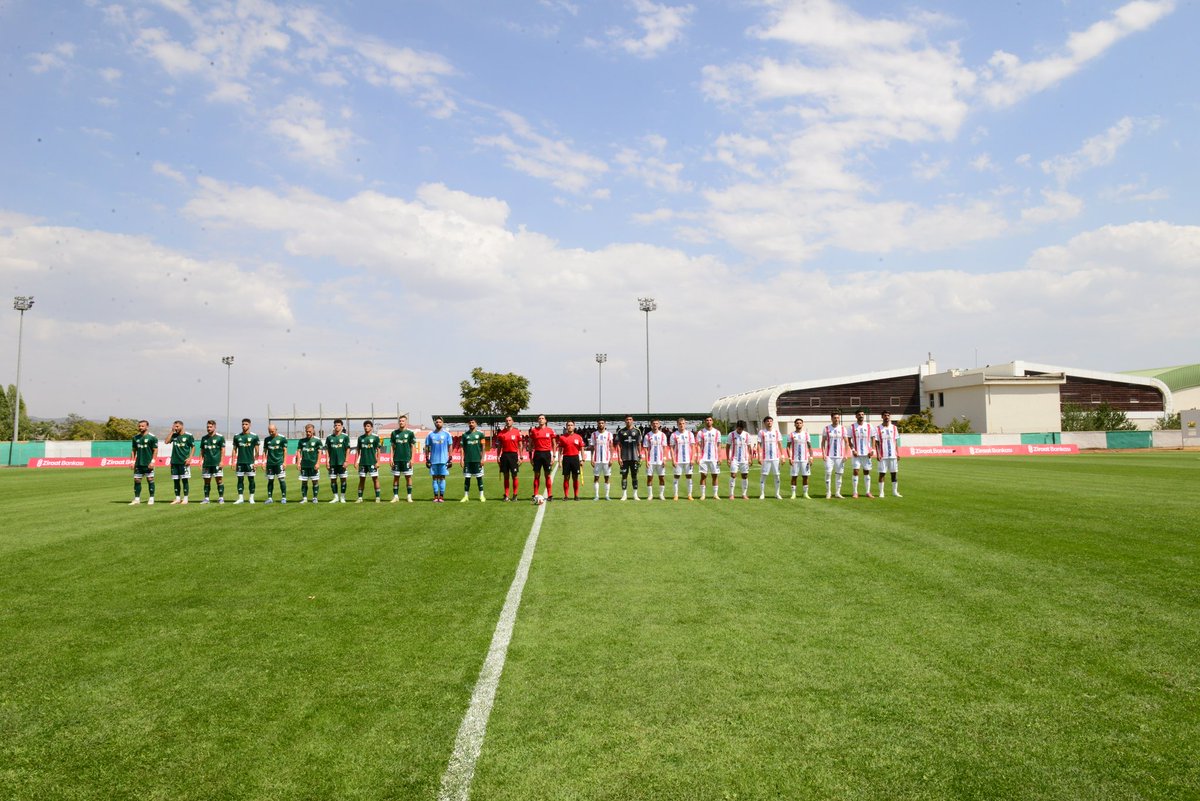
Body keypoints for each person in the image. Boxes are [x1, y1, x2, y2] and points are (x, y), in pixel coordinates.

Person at [874, 410, 903, 498]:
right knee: (882, 473)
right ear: (882, 417)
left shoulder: (894, 428)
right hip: (883, 455)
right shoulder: (878, 428)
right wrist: (878, 454)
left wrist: (898, 453)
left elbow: (896, 441)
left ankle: (895, 492)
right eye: (885, 415)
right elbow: (876, 443)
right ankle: (881, 492)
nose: (887, 417)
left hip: (893, 455)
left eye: (888, 415)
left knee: (894, 473)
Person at [527, 414, 556, 501]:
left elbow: (554, 444)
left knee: (547, 475)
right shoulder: (533, 431)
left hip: (547, 454)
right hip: (537, 454)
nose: (541, 420)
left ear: (545, 420)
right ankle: (535, 494)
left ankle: (550, 495)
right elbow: (530, 445)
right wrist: (530, 457)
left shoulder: (550, 430)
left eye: (542, 418)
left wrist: (554, 456)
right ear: (538, 420)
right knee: (537, 475)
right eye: (539, 418)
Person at [166, 420, 195, 505]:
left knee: (185, 480)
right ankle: (177, 498)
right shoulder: (174, 435)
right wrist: (172, 431)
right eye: (174, 426)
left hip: (184, 462)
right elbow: (166, 442)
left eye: (177, 426)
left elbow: (193, 447)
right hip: (174, 462)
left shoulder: (188, 436)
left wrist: (190, 458)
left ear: (182, 426)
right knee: (176, 480)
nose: (176, 428)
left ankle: (185, 498)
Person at [494, 415, 523, 501]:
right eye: (506, 420)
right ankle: (506, 495)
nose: (508, 422)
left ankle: (515, 495)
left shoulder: (517, 432)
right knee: (506, 476)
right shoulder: (501, 433)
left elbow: (520, 445)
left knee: (514, 476)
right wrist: (498, 456)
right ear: (505, 422)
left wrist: (521, 457)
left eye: (509, 420)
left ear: (512, 421)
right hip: (504, 456)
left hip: (514, 456)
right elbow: (499, 446)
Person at [821, 412, 850, 499]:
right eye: (835, 418)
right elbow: (823, 442)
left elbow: (846, 442)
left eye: (838, 418)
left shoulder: (843, 429)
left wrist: (846, 454)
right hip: (829, 455)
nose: (836, 419)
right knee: (828, 473)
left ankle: (837, 492)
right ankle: (828, 492)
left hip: (840, 456)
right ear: (831, 418)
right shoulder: (826, 428)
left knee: (839, 474)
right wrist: (823, 453)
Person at [129, 419, 158, 505]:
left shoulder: (152, 437)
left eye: (142, 426)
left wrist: (153, 461)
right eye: (139, 426)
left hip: (148, 463)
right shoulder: (135, 438)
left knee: (150, 479)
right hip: (138, 463)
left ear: (147, 427)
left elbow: (155, 450)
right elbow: (133, 451)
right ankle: (137, 499)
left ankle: (151, 498)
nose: (140, 427)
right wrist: (132, 461)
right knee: (137, 480)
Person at [390, 415, 417, 503]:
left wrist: (412, 459)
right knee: (396, 477)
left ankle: (409, 496)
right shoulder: (394, 433)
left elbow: (413, 447)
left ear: (406, 422)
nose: (401, 422)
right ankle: (396, 496)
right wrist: (391, 458)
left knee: (408, 477)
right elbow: (392, 447)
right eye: (400, 421)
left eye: (403, 421)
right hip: (396, 459)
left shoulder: (410, 433)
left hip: (406, 459)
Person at [232, 418, 261, 504]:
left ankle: (251, 498)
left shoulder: (254, 436)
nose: (244, 426)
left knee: (251, 480)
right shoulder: (237, 436)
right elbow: (234, 450)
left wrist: (256, 462)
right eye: (243, 424)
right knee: (240, 480)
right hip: (240, 462)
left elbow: (257, 451)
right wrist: (233, 461)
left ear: (249, 425)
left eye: (246, 424)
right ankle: (240, 498)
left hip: (250, 462)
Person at [425, 416, 453, 503]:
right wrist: (427, 458)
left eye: (440, 422)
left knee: (442, 478)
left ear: (442, 423)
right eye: (436, 422)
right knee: (434, 478)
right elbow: (427, 446)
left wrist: (450, 457)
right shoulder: (430, 435)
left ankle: (441, 497)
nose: (438, 423)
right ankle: (435, 496)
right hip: (433, 460)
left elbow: (450, 445)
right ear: (435, 423)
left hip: (444, 460)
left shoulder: (447, 434)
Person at [615, 415, 643, 501]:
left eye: (630, 419)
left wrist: (640, 456)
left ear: (633, 420)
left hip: (634, 458)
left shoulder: (637, 431)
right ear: (625, 421)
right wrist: (619, 457)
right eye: (627, 419)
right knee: (624, 476)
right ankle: (624, 495)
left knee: (634, 476)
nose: (628, 421)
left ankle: (635, 495)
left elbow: (639, 444)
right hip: (624, 458)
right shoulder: (620, 431)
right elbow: (618, 446)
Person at [459, 418, 487, 502]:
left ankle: (482, 496)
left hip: (477, 460)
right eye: (470, 422)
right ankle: (466, 496)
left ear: (476, 424)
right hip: (467, 460)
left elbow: (483, 447)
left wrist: (482, 458)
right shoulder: (464, 435)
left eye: (473, 422)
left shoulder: (480, 434)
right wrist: (461, 459)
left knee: (479, 478)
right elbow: (462, 448)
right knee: (467, 478)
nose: (471, 424)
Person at [849, 409, 875, 499]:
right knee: (856, 471)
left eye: (862, 414)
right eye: (859, 414)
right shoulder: (852, 427)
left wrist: (873, 450)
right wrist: (853, 449)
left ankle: (868, 492)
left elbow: (873, 438)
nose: (861, 416)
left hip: (867, 453)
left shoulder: (869, 426)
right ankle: (855, 492)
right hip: (856, 454)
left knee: (866, 472)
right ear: (856, 416)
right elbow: (849, 440)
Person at [198, 419, 226, 504]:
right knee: (206, 481)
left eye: (210, 427)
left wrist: (221, 461)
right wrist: (200, 461)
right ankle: (206, 499)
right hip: (207, 463)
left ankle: (221, 498)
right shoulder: (204, 438)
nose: (208, 428)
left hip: (216, 463)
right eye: (207, 427)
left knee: (219, 480)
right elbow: (202, 451)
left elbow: (223, 450)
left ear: (215, 427)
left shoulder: (220, 437)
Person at [669, 417, 696, 501]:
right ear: (677, 425)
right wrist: (673, 460)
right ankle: (676, 495)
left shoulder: (690, 434)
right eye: (680, 424)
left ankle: (689, 495)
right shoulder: (674, 435)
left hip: (688, 460)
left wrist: (693, 458)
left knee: (689, 476)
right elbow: (672, 448)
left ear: (685, 424)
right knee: (676, 476)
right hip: (678, 460)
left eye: (683, 423)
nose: (682, 425)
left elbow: (693, 447)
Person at [557, 420, 585, 500]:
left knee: (575, 477)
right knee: (566, 477)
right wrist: (559, 461)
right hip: (566, 459)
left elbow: (582, 449)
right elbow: (559, 450)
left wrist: (583, 459)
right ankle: (566, 496)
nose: (570, 426)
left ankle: (576, 496)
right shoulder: (562, 437)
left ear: (574, 426)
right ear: (566, 427)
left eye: (571, 425)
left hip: (575, 458)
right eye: (568, 425)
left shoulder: (578, 437)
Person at [295, 423, 323, 503]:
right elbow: (298, 452)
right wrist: (298, 463)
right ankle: (304, 498)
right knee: (304, 482)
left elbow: (319, 452)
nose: (308, 433)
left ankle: (315, 498)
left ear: (313, 431)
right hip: (304, 465)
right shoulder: (301, 441)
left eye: (310, 431)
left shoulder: (317, 441)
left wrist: (318, 463)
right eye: (307, 431)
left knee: (315, 481)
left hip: (313, 465)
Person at [696, 415, 723, 500]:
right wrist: (698, 456)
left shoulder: (717, 432)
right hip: (703, 458)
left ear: (712, 421)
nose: (708, 421)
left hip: (714, 458)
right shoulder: (701, 432)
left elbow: (719, 445)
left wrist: (720, 457)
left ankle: (715, 494)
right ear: (705, 422)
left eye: (710, 420)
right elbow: (698, 446)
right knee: (703, 476)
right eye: (707, 420)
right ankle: (703, 495)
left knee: (715, 476)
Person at [355, 420, 382, 502]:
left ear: (371, 427)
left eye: (368, 426)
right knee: (362, 479)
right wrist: (356, 461)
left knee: (375, 479)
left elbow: (378, 450)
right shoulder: (360, 438)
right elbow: (358, 450)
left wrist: (378, 461)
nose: (366, 428)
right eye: (365, 426)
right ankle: (360, 498)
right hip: (363, 463)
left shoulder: (375, 437)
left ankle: (377, 497)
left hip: (372, 462)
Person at [758, 416, 784, 500]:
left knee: (777, 476)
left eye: (771, 421)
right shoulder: (761, 432)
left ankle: (777, 494)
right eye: (767, 421)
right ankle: (762, 494)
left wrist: (782, 456)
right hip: (766, 458)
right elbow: (758, 445)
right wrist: (759, 456)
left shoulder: (776, 432)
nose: (769, 422)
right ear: (764, 423)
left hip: (775, 458)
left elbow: (780, 444)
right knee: (763, 476)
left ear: (772, 422)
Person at [642, 419, 669, 500]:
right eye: (653, 423)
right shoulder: (647, 435)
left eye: (656, 423)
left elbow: (664, 448)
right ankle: (650, 495)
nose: (655, 425)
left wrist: (664, 459)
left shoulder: (663, 435)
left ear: (659, 424)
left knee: (662, 477)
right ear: (651, 425)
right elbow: (646, 450)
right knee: (649, 478)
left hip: (660, 461)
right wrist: (646, 461)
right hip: (651, 461)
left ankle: (661, 495)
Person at [325, 419, 351, 503]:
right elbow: (327, 450)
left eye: (338, 425)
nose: (337, 426)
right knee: (333, 479)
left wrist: (346, 461)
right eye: (335, 425)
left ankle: (342, 497)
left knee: (343, 479)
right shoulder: (329, 438)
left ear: (342, 426)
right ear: (334, 426)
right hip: (332, 463)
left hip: (342, 462)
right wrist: (327, 461)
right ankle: (335, 497)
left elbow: (347, 449)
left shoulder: (345, 437)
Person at [787, 418, 813, 499]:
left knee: (805, 476)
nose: (799, 424)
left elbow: (809, 446)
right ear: (795, 424)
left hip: (805, 459)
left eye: (800, 423)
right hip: (795, 459)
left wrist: (811, 457)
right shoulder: (791, 435)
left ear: (802, 424)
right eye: (797, 423)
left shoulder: (806, 434)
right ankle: (793, 494)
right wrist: (789, 457)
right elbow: (788, 447)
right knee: (794, 476)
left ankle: (805, 493)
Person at [263, 423, 289, 503]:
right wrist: (263, 462)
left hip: (279, 463)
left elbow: (285, 450)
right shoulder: (267, 439)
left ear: (276, 430)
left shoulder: (282, 438)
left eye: (272, 431)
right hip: (270, 463)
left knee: (281, 480)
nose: (271, 433)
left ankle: (284, 497)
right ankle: (270, 498)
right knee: (270, 480)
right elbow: (265, 451)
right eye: (269, 431)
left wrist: (284, 462)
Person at [726, 420, 752, 500]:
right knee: (733, 475)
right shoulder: (731, 434)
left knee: (745, 476)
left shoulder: (747, 435)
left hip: (744, 459)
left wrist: (750, 458)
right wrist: (728, 458)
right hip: (734, 459)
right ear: (736, 427)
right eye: (738, 428)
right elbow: (727, 446)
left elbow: (749, 447)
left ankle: (744, 494)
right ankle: (731, 494)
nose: (739, 430)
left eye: (741, 428)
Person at [590, 418, 615, 500]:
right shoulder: (594, 434)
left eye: (602, 423)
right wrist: (591, 459)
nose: (601, 424)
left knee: (607, 477)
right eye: (599, 423)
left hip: (606, 460)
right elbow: (592, 448)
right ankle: (596, 495)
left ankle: (607, 495)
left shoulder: (609, 434)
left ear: (605, 424)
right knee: (596, 477)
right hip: (597, 460)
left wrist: (611, 458)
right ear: (597, 424)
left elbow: (611, 447)